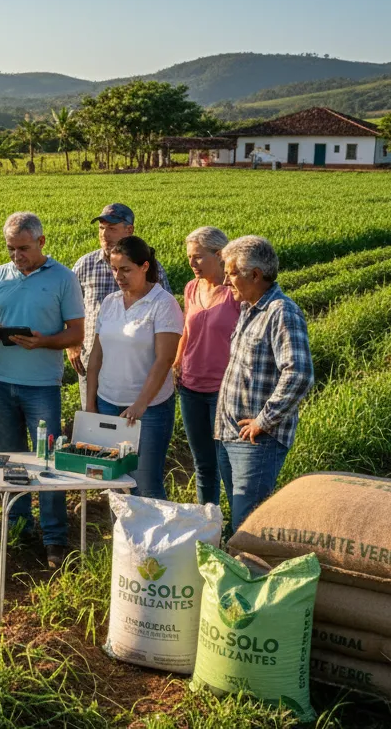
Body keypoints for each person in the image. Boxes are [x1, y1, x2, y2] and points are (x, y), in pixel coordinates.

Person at [0, 212, 85, 568]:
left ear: (41, 242)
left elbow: (77, 332)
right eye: (11, 248)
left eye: (23, 248)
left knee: (49, 461)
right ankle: (20, 528)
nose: (16, 255)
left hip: (42, 385)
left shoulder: (63, 278)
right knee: (11, 458)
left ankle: (54, 538)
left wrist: (44, 342)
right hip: (0, 380)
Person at [215, 235, 315, 532]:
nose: (226, 281)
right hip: (230, 434)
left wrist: (263, 421)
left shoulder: (282, 312)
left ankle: (247, 563)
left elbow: (299, 374)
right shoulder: (250, 308)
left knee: (247, 524)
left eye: (232, 273)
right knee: (239, 517)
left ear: (255, 275)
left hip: (257, 441)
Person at [84, 236, 183, 500]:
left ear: (144, 266)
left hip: (149, 410)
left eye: (126, 269)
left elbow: (164, 360)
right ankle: (123, 528)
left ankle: (153, 528)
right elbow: (96, 355)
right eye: (114, 269)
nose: (119, 276)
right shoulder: (110, 302)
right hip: (107, 402)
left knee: (145, 482)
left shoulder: (163, 304)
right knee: (113, 480)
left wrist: (141, 404)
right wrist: (91, 403)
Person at [172, 227, 238, 507]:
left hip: (223, 390)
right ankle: (208, 523)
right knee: (203, 465)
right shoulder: (192, 287)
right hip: (190, 387)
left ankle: (238, 525)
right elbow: (187, 330)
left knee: (227, 464)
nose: (192, 263)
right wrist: (177, 363)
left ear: (219, 255)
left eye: (198, 256)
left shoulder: (235, 292)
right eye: (189, 256)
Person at [68, 203, 170, 383]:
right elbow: (70, 307)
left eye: (112, 229)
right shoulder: (85, 265)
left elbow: (166, 314)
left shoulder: (148, 267)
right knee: (91, 401)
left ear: (129, 230)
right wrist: (72, 344)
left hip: (136, 364)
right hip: (91, 360)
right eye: (101, 228)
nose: (104, 234)